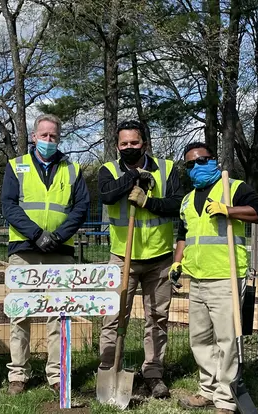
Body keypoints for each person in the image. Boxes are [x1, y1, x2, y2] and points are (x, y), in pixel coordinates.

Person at [173, 142, 258, 414]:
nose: (196, 166)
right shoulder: (186, 199)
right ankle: (207, 389)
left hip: (225, 276)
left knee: (228, 339)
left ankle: (226, 400)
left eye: (201, 160)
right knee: (200, 339)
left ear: (213, 160)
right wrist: (177, 263)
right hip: (197, 278)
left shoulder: (233, 188)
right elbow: (183, 235)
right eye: (190, 164)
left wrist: (228, 210)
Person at [1, 114, 90, 395]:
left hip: (60, 252)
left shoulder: (72, 169)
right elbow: (9, 206)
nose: (48, 141)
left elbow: (81, 207)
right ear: (33, 136)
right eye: (44, 135)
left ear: (59, 138)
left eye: (53, 136)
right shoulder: (16, 167)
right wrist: (37, 235)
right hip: (24, 251)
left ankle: (57, 375)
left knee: (60, 315)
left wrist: (58, 236)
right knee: (19, 314)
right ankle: (18, 374)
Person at [97, 120, 183, 398]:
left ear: (144, 143)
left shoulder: (168, 169)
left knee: (157, 318)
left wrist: (148, 201)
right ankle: (109, 367)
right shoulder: (109, 170)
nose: (129, 148)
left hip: (159, 259)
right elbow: (107, 196)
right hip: (123, 258)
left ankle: (154, 373)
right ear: (117, 146)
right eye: (124, 144)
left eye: (134, 143)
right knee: (113, 316)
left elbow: (178, 205)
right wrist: (132, 178)